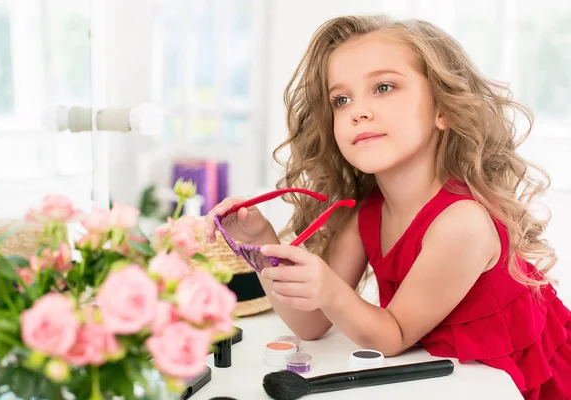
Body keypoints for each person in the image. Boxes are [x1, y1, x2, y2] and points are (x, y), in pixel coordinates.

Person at [203, 15, 571, 399]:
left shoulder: (462, 223)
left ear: (442, 109)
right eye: (341, 100)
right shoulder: (368, 212)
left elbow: (392, 335)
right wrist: (261, 241)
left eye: (383, 87)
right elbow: (310, 324)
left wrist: (329, 289)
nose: (357, 111)